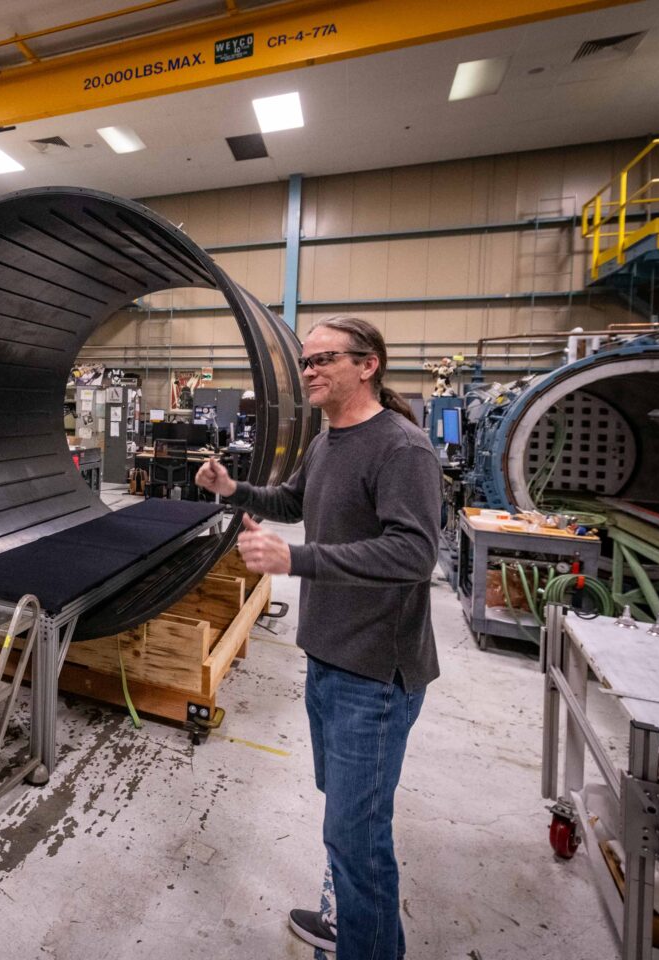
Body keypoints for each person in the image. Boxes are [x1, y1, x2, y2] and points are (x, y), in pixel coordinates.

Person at [194, 316, 441, 960]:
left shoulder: (401, 448)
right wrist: (232, 489)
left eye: (323, 358)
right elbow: (294, 500)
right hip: (328, 659)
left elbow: (413, 555)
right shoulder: (328, 440)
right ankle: (348, 924)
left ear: (368, 365)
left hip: (375, 676)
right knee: (344, 821)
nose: (309, 370)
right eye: (305, 360)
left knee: (358, 838)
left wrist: (297, 561)